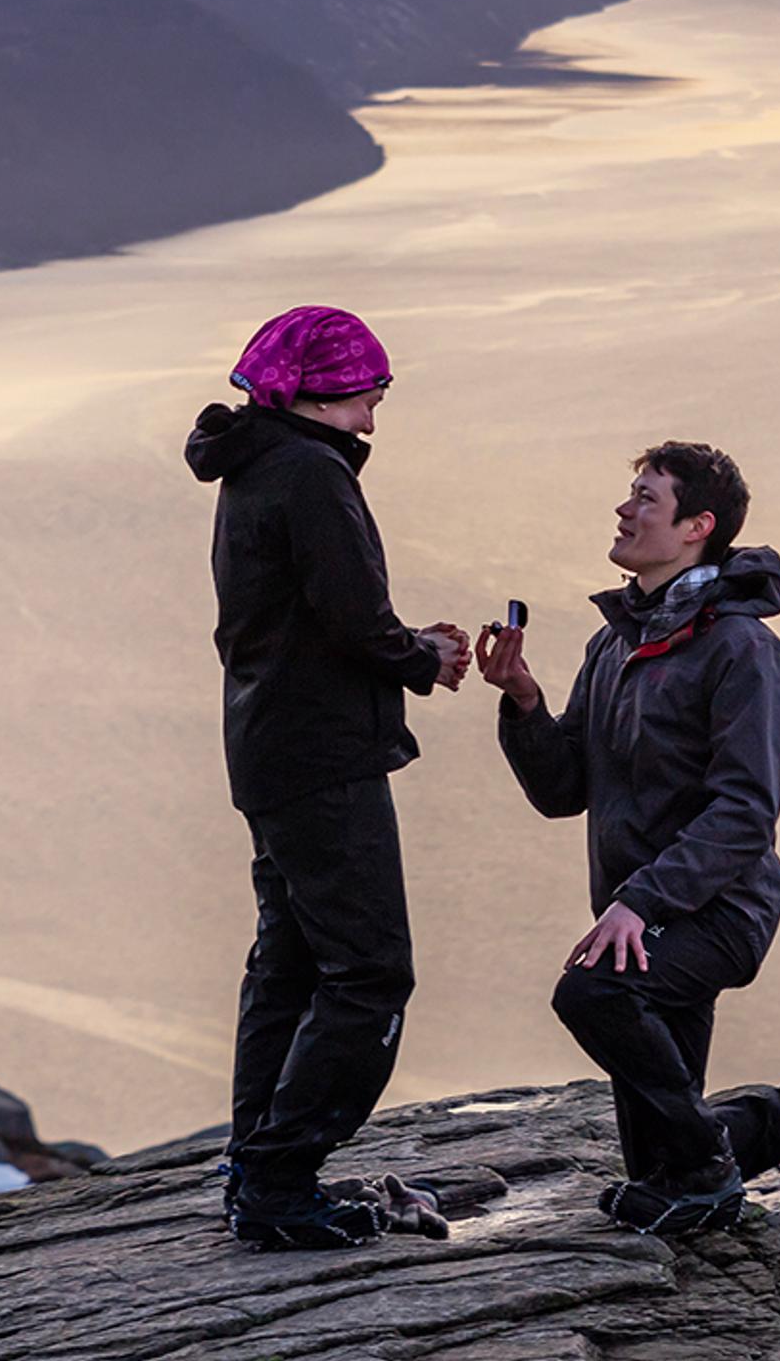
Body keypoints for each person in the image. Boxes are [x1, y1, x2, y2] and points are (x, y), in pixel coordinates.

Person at [476, 440, 780, 1235]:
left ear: (697, 526)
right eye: (629, 493)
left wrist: (642, 900)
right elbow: (563, 791)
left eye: (645, 497)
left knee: (593, 993)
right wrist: (525, 703)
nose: (624, 508)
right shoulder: (616, 644)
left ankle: (720, 1160)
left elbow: (745, 813)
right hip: (640, 917)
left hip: (715, 911)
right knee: (660, 1168)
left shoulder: (744, 651)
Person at [183, 305, 468, 1251]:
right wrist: (422, 655)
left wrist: (400, 648)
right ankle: (276, 1176)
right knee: (371, 971)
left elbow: (309, 618)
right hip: (321, 756)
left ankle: (254, 1165)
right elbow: (352, 617)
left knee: (291, 960)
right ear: (319, 388)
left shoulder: (258, 462)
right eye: (367, 399)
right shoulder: (310, 473)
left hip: (268, 748)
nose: (372, 423)